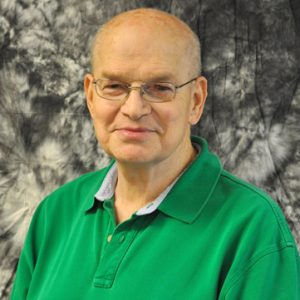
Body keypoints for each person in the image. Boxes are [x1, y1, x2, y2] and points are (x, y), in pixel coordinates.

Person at [11, 8, 300, 300]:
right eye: (114, 86)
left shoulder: (253, 230)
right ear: (90, 96)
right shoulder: (55, 213)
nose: (134, 109)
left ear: (196, 101)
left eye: (160, 88)